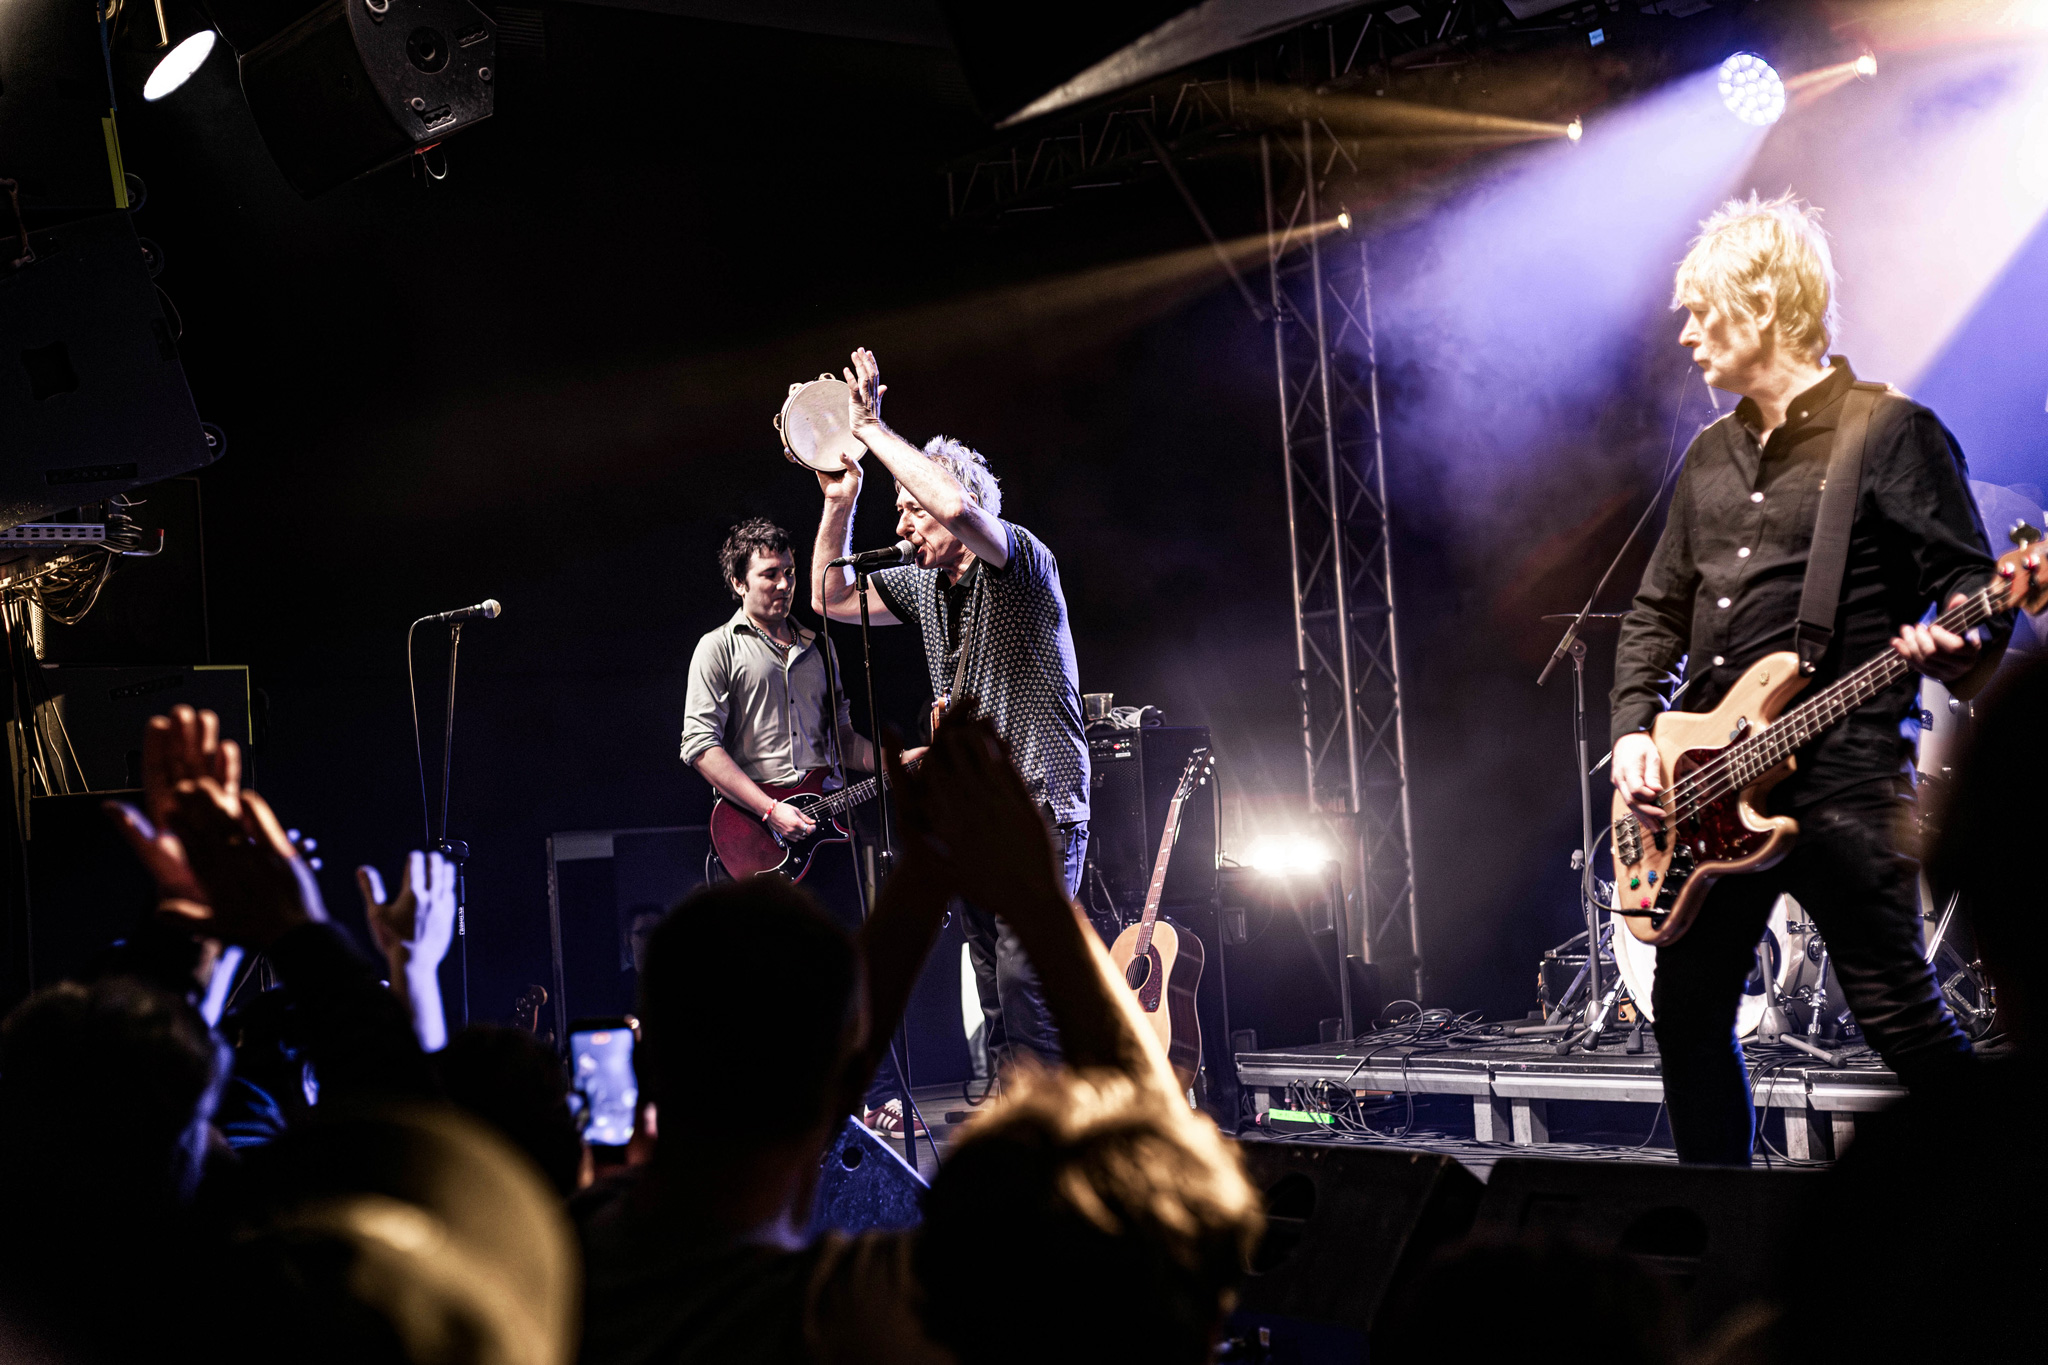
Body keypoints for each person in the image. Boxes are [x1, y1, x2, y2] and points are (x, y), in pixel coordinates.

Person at [574, 708, 1258, 1365]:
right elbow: (1176, 1213)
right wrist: (1037, 894)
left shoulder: (572, 1246)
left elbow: (827, 1073)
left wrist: (926, 875)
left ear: (648, 1057)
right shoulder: (839, 1315)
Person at [1608, 193, 2014, 1165]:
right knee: (1687, 1017)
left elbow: (1970, 587)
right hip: (1707, 789)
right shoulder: (1707, 456)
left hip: (1844, 781)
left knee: (1899, 1017)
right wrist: (1633, 730)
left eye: (1701, 311)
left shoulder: (1890, 432)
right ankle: (1719, 1221)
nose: (1685, 333)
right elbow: (1655, 611)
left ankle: (2006, 1205)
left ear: (1761, 306)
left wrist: (1957, 638)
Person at [812, 347, 1091, 1070]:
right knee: (996, 995)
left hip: (1038, 806)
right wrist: (840, 501)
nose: (902, 528)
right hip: (972, 820)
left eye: (909, 509)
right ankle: (1017, 1117)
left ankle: (1057, 1124)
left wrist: (871, 428)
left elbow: (957, 509)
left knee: (1029, 988)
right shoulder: (926, 585)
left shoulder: (1019, 559)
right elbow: (829, 597)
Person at [679, 518, 910, 1137]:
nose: (784, 585)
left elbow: (843, 740)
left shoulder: (821, 647)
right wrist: (769, 809)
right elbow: (699, 746)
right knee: (770, 979)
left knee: (854, 965)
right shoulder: (717, 649)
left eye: (788, 572)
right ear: (738, 582)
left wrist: (897, 761)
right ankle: (781, 1109)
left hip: (826, 831)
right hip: (756, 835)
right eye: (769, 575)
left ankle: (872, 1098)